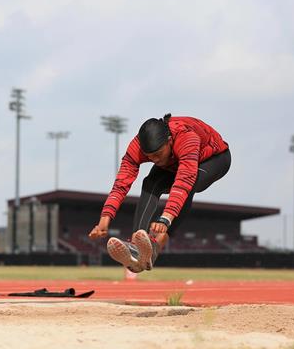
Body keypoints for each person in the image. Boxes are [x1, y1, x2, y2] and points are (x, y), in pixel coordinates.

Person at [88, 114, 231, 273]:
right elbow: (121, 184)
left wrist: (165, 219)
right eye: (149, 157)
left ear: (169, 141)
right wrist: (104, 220)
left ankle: (157, 244)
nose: (154, 160)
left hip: (214, 159)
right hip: (174, 162)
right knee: (150, 183)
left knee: (189, 183)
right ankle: (137, 247)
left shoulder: (186, 138)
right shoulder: (136, 147)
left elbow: (183, 183)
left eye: (157, 154)